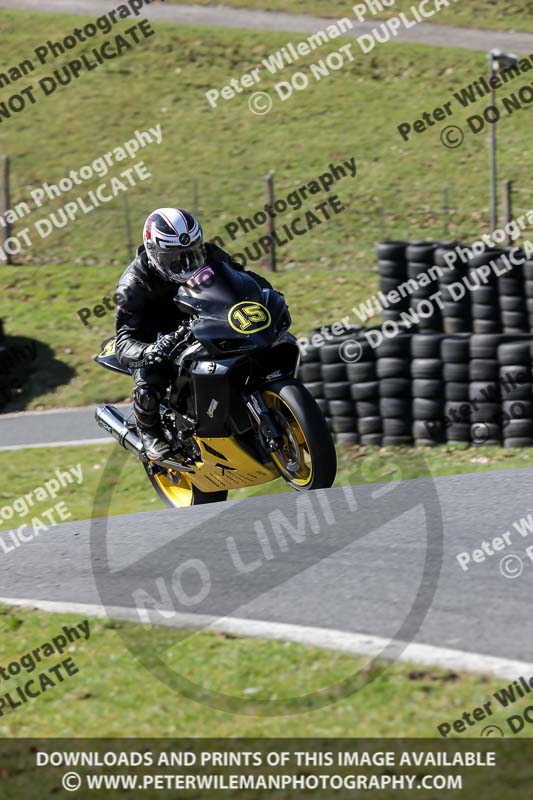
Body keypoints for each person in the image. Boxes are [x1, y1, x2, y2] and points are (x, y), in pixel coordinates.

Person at [114, 207, 273, 461]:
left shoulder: (211, 254)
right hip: (157, 337)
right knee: (149, 383)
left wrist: (265, 292)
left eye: (193, 253)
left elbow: (241, 279)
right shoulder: (133, 283)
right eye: (176, 258)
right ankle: (150, 433)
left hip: (203, 320)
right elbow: (122, 340)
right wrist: (150, 351)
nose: (187, 264)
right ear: (155, 254)